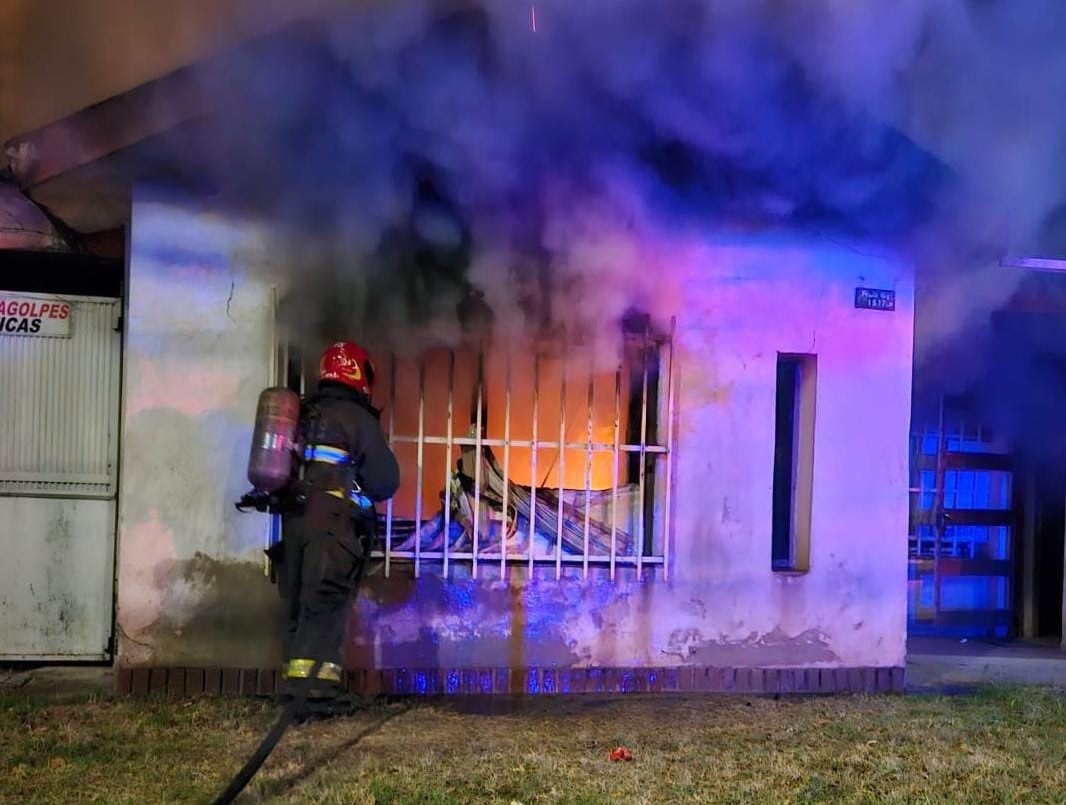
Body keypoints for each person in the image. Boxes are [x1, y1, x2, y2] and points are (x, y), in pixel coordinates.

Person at [274, 340, 399, 706]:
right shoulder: (355, 417)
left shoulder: (303, 413)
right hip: (332, 526)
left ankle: (295, 689)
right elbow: (385, 481)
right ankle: (316, 694)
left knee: (300, 602)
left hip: (294, 522)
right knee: (326, 603)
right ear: (359, 375)